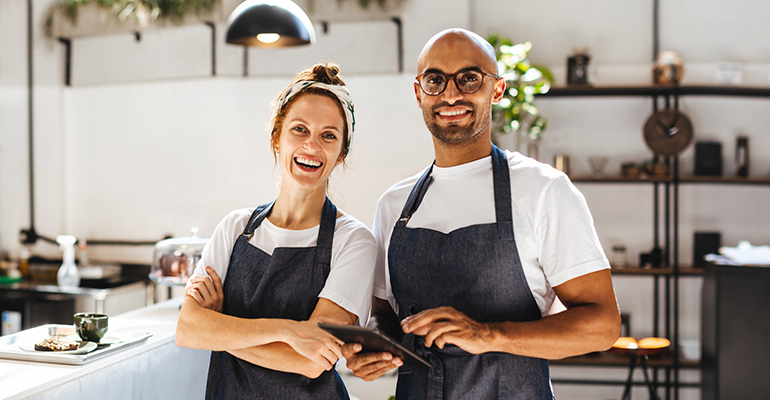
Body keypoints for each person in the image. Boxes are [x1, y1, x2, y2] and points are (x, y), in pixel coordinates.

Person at [342, 29, 621, 399]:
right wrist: (374, 349)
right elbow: (383, 313)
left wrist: (489, 334)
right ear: (418, 93)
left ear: (497, 90)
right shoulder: (395, 205)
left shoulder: (543, 190)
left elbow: (602, 326)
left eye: (469, 78)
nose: (451, 94)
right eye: (435, 80)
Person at [176, 62, 376, 400]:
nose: (312, 146)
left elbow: (310, 360)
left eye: (329, 135)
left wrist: (222, 325)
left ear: (341, 153)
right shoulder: (235, 228)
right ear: (276, 138)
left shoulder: (353, 241)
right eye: (299, 129)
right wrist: (290, 331)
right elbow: (187, 330)